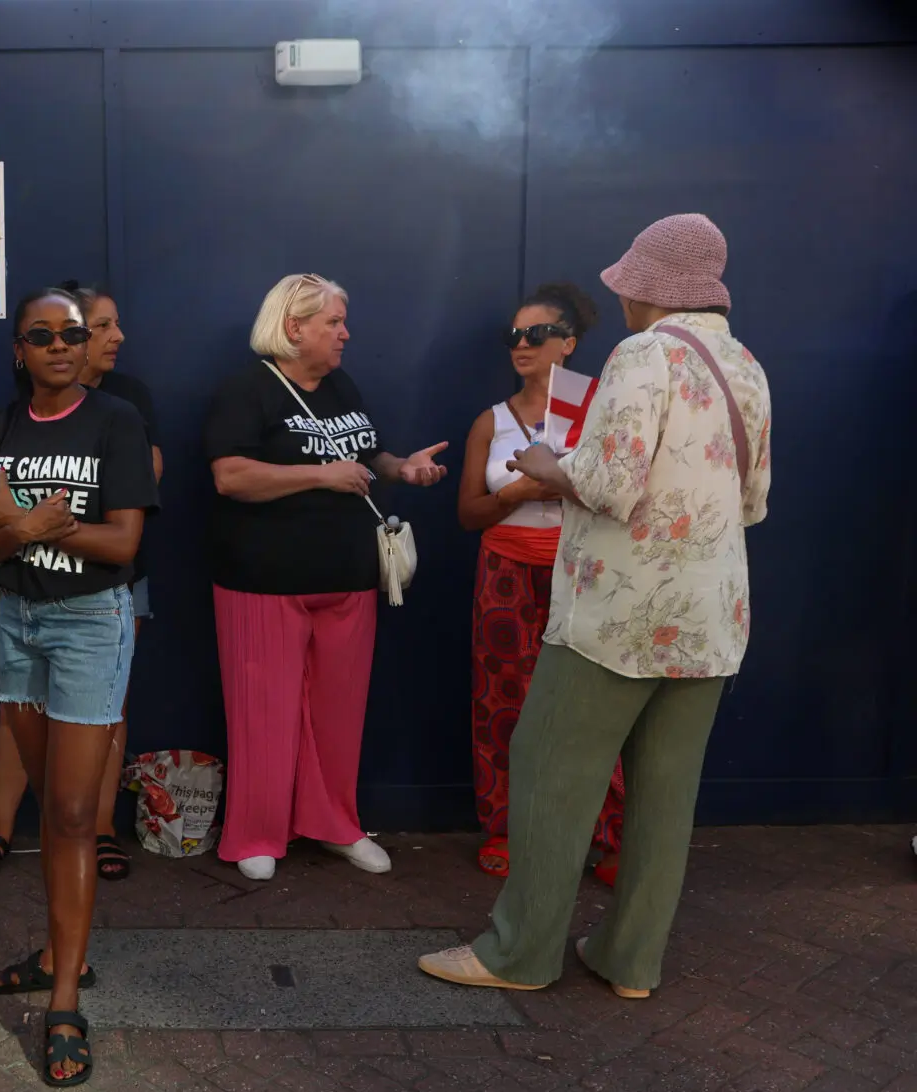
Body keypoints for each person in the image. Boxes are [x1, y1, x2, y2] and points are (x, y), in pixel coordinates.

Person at [420, 213, 772, 999]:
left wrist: (548, 462)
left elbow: (608, 483)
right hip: (711, 616)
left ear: (649, 287)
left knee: (548, 767)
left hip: (619, 613)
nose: (621, 302)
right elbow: (753, 500)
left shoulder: (644, 354)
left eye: (629, 286)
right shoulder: (744, 363)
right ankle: (630, 959)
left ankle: (518, 952)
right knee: (665, 793)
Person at [0, 287, 158, 1086]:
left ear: (85, 345)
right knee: (52, 805)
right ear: (20, 350)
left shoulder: (115, 421)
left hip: (87, 624)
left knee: (76, 813)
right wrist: (16, 531)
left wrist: (49, 527)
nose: (56, 345)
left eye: (69, 334)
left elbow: (124, 542)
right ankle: (53, 952)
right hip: (19, 626)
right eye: (38, 335)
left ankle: (66, 1001)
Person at [204, 274, 449, 881]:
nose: (345, 334)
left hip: (348, 578)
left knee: (339, 714)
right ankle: (256, 833)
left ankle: (335, 822)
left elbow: (366, 459)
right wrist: (318, 475)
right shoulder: (246, 391)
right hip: (262, 582)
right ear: (294, 328)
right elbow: (231, 477)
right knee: (264, 713)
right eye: (334, 323)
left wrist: (402, 468)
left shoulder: (341, 385)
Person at [456, 282, 626, 880]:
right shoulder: (492, 421)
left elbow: (625, 489)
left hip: (583, 567)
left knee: (593, 701)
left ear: (568, 343)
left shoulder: (604, 408)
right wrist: (521, 492)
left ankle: (608, 834)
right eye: (514, 336)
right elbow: (469, 514)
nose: (521, 344)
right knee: (505, 700)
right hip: (504, 570)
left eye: (537, 334)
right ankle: (507, 828)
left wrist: (561, 480)